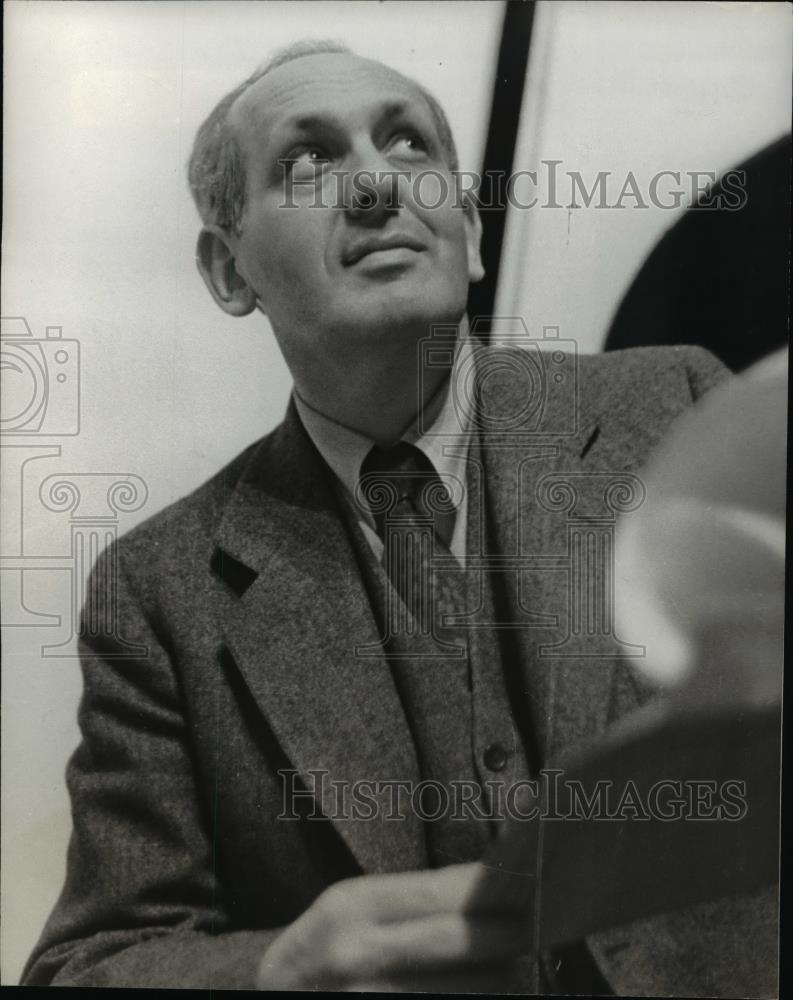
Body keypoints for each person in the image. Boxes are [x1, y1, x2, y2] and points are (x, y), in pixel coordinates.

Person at [22, 41, 777, 993]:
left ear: (469, 227)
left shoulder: (676, 408)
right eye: (309, 162)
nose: (377, 185)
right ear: (227, 271)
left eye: (409, 146)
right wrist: (282, 968)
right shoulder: (157, 590)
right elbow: (86, 964)